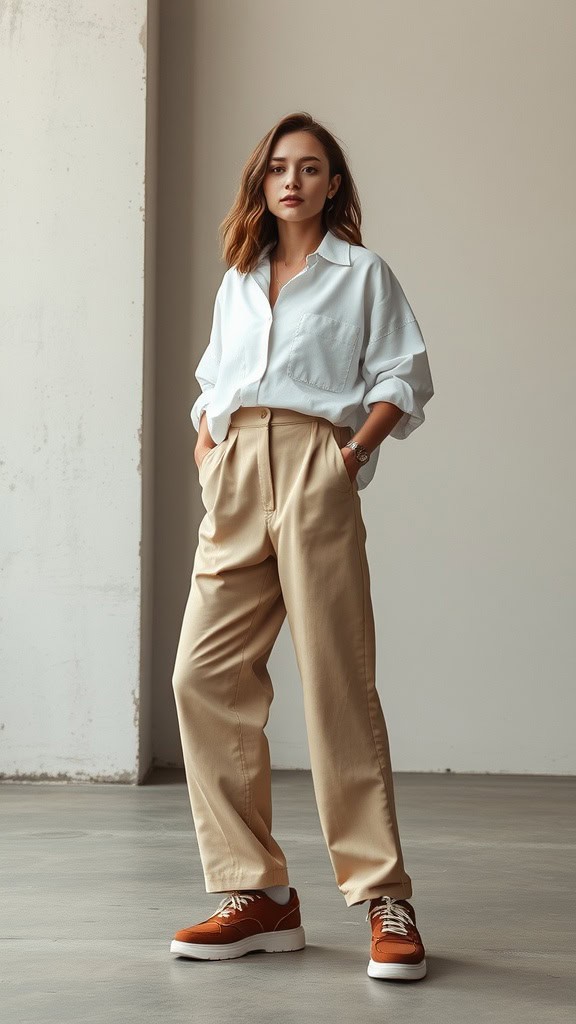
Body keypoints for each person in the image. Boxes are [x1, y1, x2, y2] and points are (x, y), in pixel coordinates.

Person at [170, 112, 434, 982]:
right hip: (239, 470)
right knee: (203, 676)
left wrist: (353, 453)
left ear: (332, 185)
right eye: (279, 167)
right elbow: (214, 382)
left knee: (334, 682)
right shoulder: (238, 279)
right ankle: (257, 895)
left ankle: (383, 895)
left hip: (318, 465)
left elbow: (403, 373)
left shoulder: (361, 275)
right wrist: (210, 452)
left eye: (311, 168)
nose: (293, 181)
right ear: (262, 181)